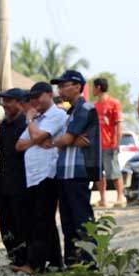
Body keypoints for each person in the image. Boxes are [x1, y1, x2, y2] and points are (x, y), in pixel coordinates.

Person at [14, 82, 67, 273]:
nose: (35, 101)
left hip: (48, 173)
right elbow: (19, 145)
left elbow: (38, 135)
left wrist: (30, 122)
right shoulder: (38, 117)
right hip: (33, 175)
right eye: (32, 98)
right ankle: (55, 262)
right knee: (42, 219)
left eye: (38, 96)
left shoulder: (57, 114)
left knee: (42, 220)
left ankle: (34, 264)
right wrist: (35, 139)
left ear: (49, 94)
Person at [51, 70, 101, 266]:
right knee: (68, 223)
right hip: (65, 172)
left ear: (78, 86)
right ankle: (73, 265)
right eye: (59, 86)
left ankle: (90, 266)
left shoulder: (85, 108)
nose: (60, 90)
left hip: (77, 172)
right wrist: (64, 141)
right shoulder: (69, 112)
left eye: (64, 85)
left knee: (82, 220)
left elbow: (67, 138)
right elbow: (68, 140)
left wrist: (58, 141)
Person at [0, 89, 29, 268]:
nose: (5, 105)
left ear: (20, 103)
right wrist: (1, 125)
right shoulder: (6, 124)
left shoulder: (26, 123)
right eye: (4, 101)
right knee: (6, 222)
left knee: (21, 220)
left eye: (9, 101)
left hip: (21, 180)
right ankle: (13, 257)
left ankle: (24, 259)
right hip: (4, 179)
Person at [93, 77, 125, 208]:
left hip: (110, 144)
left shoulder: (114, 103)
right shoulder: (94, 106)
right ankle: (103, 199)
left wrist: (118, 142)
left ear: (98, 87)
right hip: (97, 145)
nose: (92, 90)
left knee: (115, 172)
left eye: (93, 87)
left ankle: (120, 198)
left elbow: (119, 125)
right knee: (98, 173)